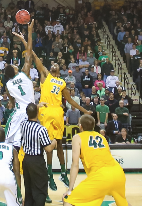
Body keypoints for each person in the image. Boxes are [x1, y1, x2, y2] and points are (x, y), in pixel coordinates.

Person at [20, 37, 92, 190]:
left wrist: (85, 111)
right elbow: (34, 57)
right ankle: (50, 174)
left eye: (55, 64)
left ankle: (63, 173)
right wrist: (26, 42)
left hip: (58, 112)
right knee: (48, 144)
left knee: (59, 143)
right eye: (51, 64)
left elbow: (70, 101)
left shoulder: (62, 83)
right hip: (46, 111)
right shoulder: (46, 75)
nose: (53, 65)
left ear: (59, 70)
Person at [20, 103, 55, 206]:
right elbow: (48, 149)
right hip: (37, 161)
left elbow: (28, 113)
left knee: (29, 192)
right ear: (38, 113)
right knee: (40, 193)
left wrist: (36, 106)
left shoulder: (23, 124)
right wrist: (54, 142)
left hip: (26, 160)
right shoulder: (41, 129)